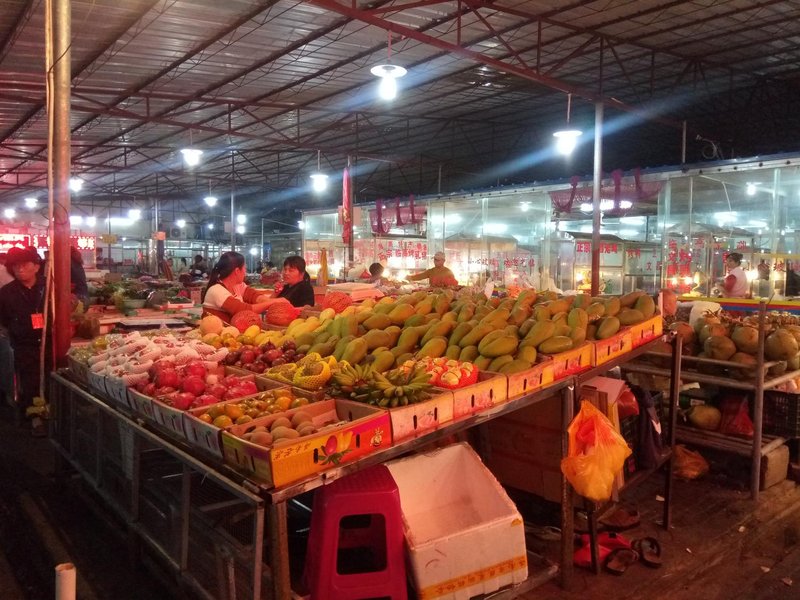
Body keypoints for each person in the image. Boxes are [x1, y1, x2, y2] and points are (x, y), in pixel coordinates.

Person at [0, 247, 47, 436]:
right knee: (29, 380)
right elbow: (3, 319)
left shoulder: (48, 286)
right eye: (16, 266)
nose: (20, 269)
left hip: (48, 341)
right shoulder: (7, 292)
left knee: (51, 377)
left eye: (25, 264)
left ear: (36, 267)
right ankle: (35, 416)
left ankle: (52, 410)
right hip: (23, 344)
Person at [201, 251, 289, 321]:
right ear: (237, 271)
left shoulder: (239, 286)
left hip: (233, 333)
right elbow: (243, 310)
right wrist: (273, 302)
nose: (245, 272)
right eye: (244, 268)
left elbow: (255, 297)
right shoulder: (216, 290)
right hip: (217, 335)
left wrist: (275, 298)